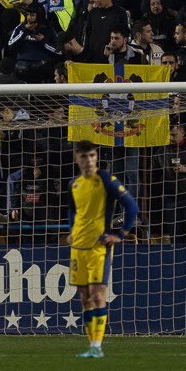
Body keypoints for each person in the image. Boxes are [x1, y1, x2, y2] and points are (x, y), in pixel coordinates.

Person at [68, 140, 137, 359]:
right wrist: (71, 230)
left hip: (99, 247)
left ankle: (97, 346)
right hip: (78, 248)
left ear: (96, 157)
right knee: (84, 298)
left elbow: (132, 206)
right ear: (76, 158)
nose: (88, 160)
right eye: (83, 156)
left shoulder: (106, 179)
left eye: (91, 156)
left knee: (98, 295)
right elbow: (73, 211)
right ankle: (91, 346)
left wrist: (121, 234)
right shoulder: (74, 184)